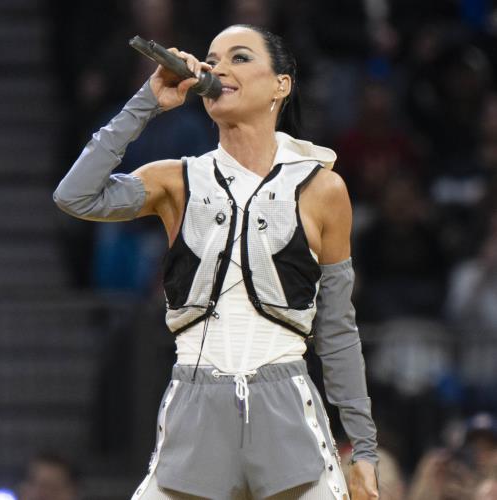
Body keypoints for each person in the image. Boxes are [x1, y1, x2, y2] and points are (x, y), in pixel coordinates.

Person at [53, 24, 379, 500]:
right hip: (194, 404)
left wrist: (364, 449)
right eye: (212, 59)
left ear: (281, 85)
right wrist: (146, 101)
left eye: (239, 58)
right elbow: (75, 195)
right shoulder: (176, 179)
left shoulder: (322, 189)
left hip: (287, 406)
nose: (218, 68)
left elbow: (338, 330)